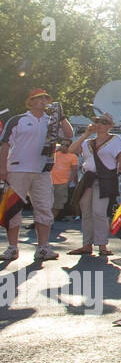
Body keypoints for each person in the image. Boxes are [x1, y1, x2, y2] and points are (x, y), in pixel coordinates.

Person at [1, 89, 73, 262]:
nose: (43, 101)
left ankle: (43, 247)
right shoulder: (18, 120)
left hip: (42, 171)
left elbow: (69, 135)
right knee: (13, 209)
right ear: (30, 101)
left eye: (45, 98)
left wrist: (61, 117)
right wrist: (2, 168)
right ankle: (12, 248)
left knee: (44, 208)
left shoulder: (52, 122)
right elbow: (4, 145)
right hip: (18, 169)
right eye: (39, 98)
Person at [67, 114, 121, 258]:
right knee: (86, 212)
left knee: (99, 212)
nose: (100, 124)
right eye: (97, 122)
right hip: (88, 178)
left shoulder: (116, 140)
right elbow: (71, 150)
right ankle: (86, 244)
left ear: (110, 125)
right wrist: (87, 133)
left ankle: (102, 245)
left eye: (104, 122)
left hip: (105, 179)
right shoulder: (88, 142)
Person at [51, 142, 81, 221]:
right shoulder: (55, 154)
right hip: (50, 182)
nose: (64, 146)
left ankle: (49, 221)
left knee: (58, 204)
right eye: (63, 144)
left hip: (62, 183)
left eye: (66, 145)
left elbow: (74, 171)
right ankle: (46, 221)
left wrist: (68, 182)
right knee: (46, 203)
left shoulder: (73, 156)